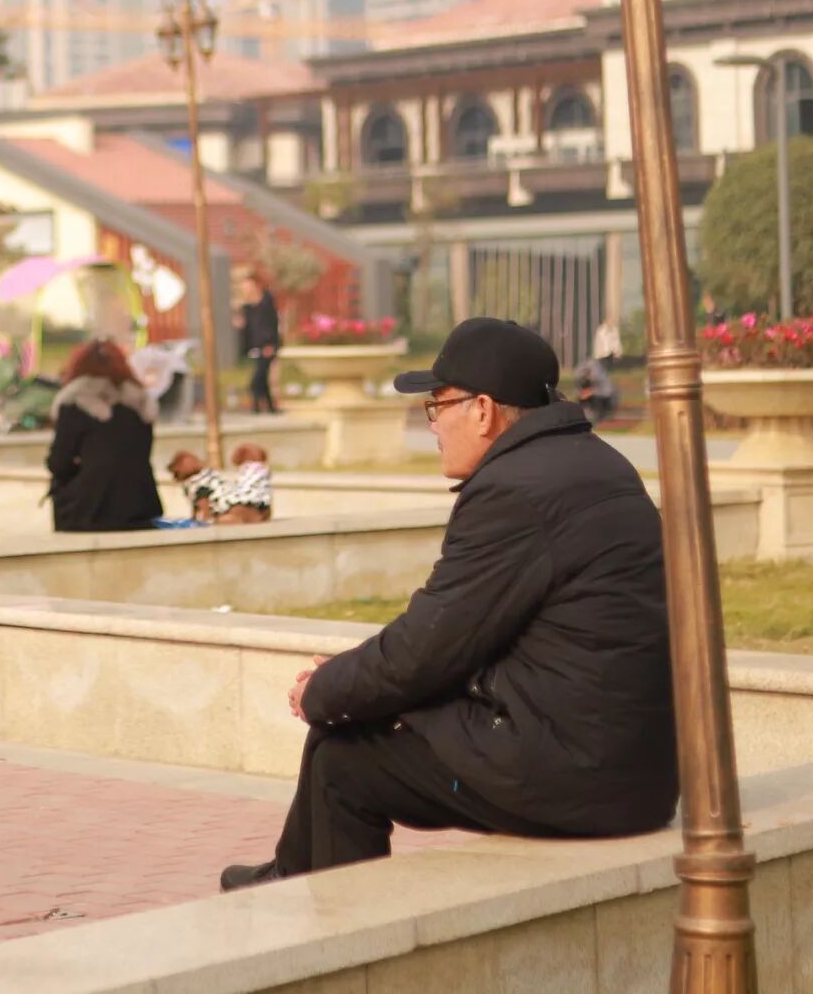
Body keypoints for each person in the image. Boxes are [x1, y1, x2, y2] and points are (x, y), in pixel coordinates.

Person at [220, 317, 678, 890]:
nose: (431, 424)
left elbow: (429, 647)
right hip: (631, 771)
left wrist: (321, 690)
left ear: (483, 410)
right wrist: (343, 681)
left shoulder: (515, 492)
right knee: (349, 716)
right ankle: (290, 874)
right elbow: (460, 634)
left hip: (577, 778)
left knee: (345, 759)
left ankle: (350, 934)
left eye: (438, 405)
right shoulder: (593, 463)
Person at [46, 339, 162, 532]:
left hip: (89, 510)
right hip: (141, 506)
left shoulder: (74, 403)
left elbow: (58, 463)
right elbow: (142, 455)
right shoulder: (140, 404)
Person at [235, 273, 281, 414]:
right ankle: (269, 407)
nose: (246, 290)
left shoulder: (267, 304)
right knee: (262, 377)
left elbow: (272, 325)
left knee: (258, 377)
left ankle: (257, 406)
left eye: (248, 286)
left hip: (267, 346)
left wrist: (271, 344)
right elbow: (247, 329)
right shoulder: (247, 308)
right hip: (253, 346)